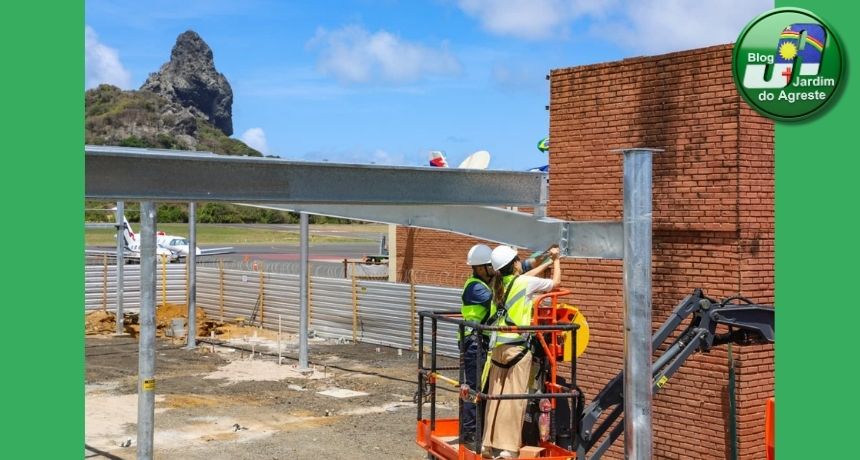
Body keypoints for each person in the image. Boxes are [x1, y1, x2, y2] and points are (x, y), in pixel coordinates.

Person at [481, 245, 561, 459]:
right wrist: (556, 261)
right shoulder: (523, 283)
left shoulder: (497, 283)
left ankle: (487, 445)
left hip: (498, 348)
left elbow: (523, 278)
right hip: (518, 348)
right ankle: (507, 448)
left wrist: (545, 262)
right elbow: (556, 283)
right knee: (514, 399)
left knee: (495, 398)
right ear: (515, 263)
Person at [458, 244, 495, 445]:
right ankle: (470, 434)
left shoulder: (482, 283)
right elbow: (498, 300)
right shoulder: (476, 287)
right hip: (473, 343)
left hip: (479, 342)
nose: (494, 270)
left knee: (479, 387)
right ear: (481, 268)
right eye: (491, 266)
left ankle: (474, 430)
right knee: (473, 388)